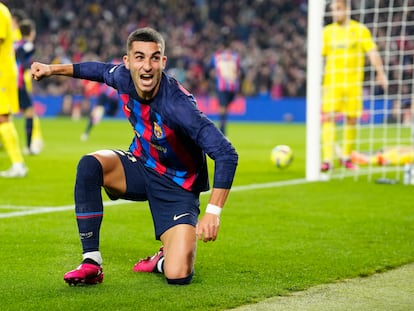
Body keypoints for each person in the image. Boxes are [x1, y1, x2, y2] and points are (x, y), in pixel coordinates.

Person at [31, 27, 238, 286]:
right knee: (90, 165)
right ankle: (91, 262)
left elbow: (226, 153)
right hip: (140, 165)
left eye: (154, 58)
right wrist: (51, 69)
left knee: (179, 275)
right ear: (127, 62)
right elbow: (95, 70)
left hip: (178, 186)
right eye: (139, 57)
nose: (147, 66)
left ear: (163, 62)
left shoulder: (179, 106)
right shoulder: (123, 77)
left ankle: (162, 260)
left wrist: (213, 212)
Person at [320, 0, 388, 172]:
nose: (335, 13)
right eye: (332, 10)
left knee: (351, 119)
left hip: (353, 84)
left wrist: (380, 72)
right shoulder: (327, 32)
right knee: (328, 117)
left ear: (347, 9)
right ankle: (327, 159)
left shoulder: (360, 30)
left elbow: (371, 51)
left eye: (338, 9)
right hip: (332, 83)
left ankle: (346, 156)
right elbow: (319, 56)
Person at [0, 2, 27, 178]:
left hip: (2, 71)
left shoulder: (0, 11)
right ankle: (18, 164)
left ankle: (18, 164)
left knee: (2, 116)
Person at [15, 18, 44, 155]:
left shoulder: (14, 43)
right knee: (29, 113)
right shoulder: (28, 45)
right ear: (31, 32)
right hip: (17, 82)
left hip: (7, 82)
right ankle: (28, 147)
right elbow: (21, 58)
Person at [208, 35, 241, 135]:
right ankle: (222, 129)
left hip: (222, 86)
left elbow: (208, 68)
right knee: (224, 106)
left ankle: (222, 127)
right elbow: (240, 71)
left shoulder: (217, 56)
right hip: (233, 86)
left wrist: (209, 76)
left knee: (223, 107)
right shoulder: (235, 56)